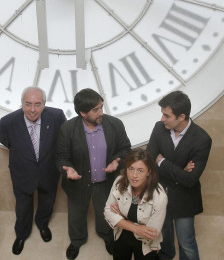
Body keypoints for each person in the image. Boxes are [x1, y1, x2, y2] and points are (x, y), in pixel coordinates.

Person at [56, 87, 131, 260]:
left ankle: (106, 236)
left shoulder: (115, 124)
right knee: (76, 214)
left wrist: (117, 161)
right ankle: (76, 241)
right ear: (82, 112)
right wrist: (67, 169)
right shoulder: (67, 129)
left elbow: (125, 149)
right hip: (78, 183)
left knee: (106, 212)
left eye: (101, 107)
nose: (101, 113)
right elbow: (61, 157)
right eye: (95, 110)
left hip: (106, 182)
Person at [0, 86, 66, 255]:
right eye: (28, 104)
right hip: (22, 173)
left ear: (44, 104)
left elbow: (63, 138)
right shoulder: (8, 122)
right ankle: (22, 233)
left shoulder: (57, 116)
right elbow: (4, 139)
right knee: (22, 207)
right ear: (21, 103)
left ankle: (42, 224)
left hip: (49, 172)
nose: (33, 110)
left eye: (38, 104)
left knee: (47, 201)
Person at [147, 91, 212, 260]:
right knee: (163, 242)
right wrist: (180, 170)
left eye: (166, 115)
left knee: (187, 244)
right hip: (160, 195)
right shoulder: (159, 128)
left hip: (185, 200)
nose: (162, 119)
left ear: (182, 116)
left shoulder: (202, 139)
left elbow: (190, 180)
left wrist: (162, 162)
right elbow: (149, 160)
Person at [104, 148, 168, 260]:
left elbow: (150, 233)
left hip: (145, 244)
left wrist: (121, 218)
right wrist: (137, 228)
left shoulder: (160, 197)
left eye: (140, 170)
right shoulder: (119, 182)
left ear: (148, 172)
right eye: (131, 169)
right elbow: (108, 212)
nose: (134, 175)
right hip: (122, 236)